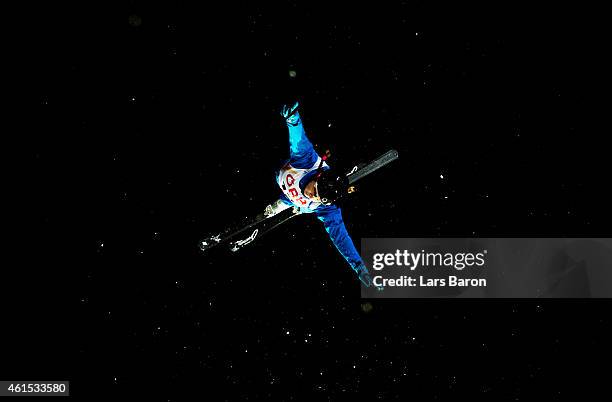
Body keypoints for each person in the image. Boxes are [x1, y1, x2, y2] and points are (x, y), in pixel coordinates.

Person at [264, 101, 377, 288]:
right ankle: (284, 204)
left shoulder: (327, 207)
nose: (311, 194)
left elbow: (340, 237)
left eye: (317, 197)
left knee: (302, 204)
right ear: (318, 176)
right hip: (284, 173)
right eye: (314, 189)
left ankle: (285, 206)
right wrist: (293, 118)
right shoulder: (307, 160)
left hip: (293, 200)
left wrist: (359, 267)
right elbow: (298, 139)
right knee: (297, 198)